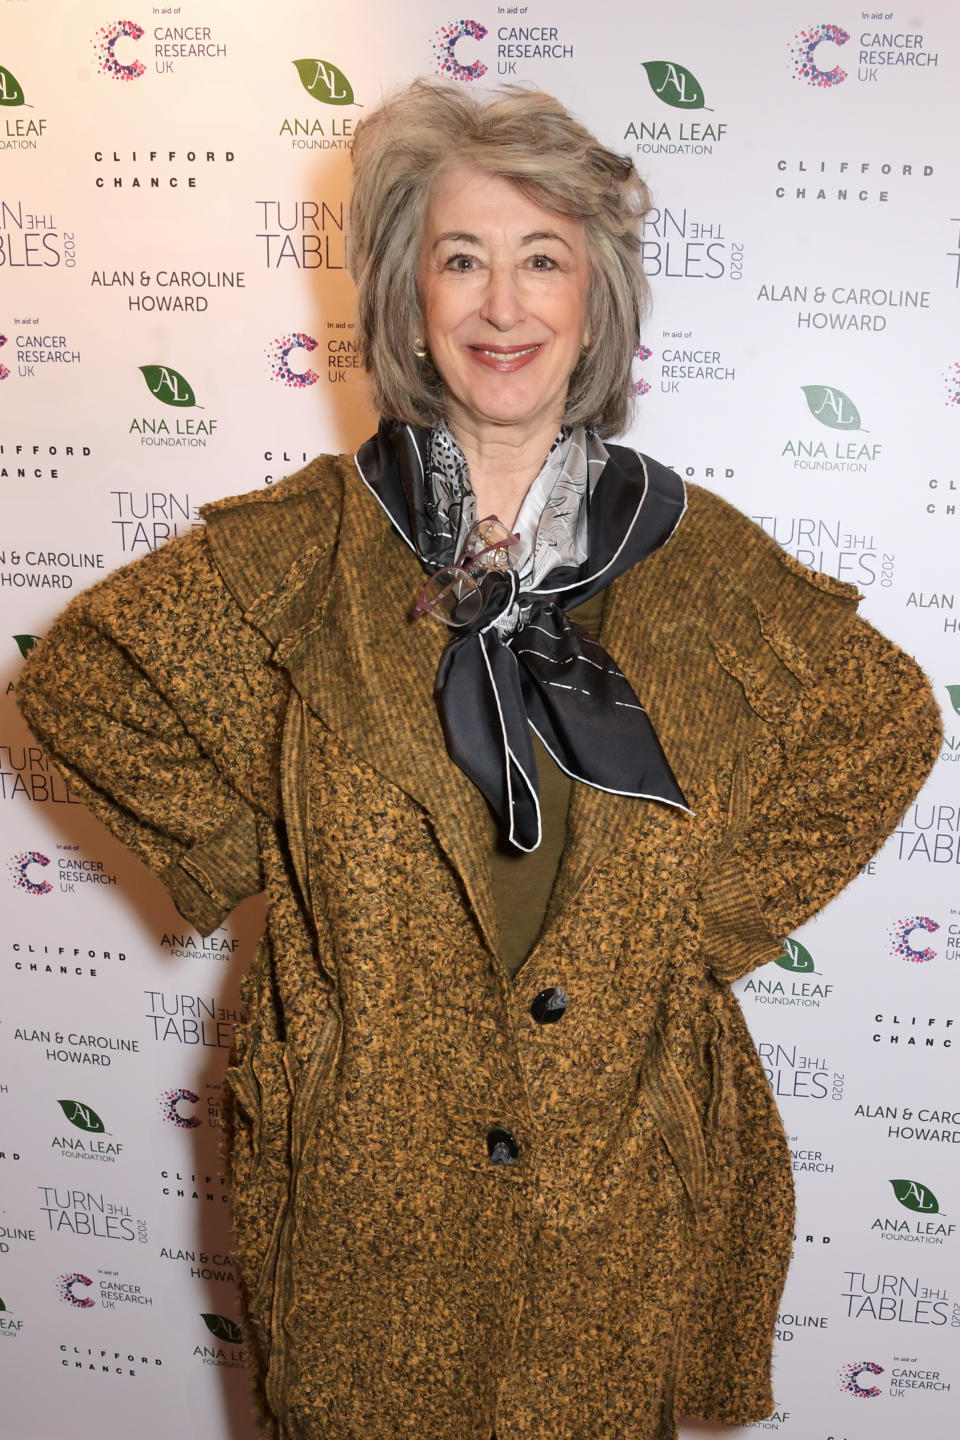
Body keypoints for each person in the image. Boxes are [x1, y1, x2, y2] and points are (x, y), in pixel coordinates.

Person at [17, 80, 940, 1440]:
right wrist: (259, 845)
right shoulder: (298, 551)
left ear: (595, 301)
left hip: (608, 1199)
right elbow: (90, 677)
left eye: (542, 259)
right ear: (408, 299)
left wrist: (701, 923)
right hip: (361, 1208)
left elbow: (887, 719)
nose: (502, 306)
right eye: (462, 259)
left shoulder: (701, 563)